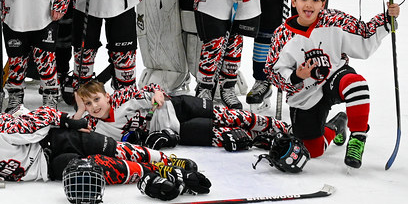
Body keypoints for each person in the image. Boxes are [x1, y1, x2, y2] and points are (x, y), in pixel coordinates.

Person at [0, 104, 210, 202]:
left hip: (54, 139)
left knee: (104, 145)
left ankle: (166, 160)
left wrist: (68, 121)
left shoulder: (0, 129)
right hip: (48, 166)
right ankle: (153, 175)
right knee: (93, 168)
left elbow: (39, 118)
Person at [265, 0, 397, 169]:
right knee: (312, 150)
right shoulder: (282, 35)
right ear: (293, 1)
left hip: (335, 77)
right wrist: (296, 77)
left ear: (323, 4)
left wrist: (387, 18)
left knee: (356, 84)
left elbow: (365, 34)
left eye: (315, 0)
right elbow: (272, 71)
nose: (309, 5)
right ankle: (336, 125)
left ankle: (358, 137)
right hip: (305, 92)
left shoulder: (335, 20)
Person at [74, 79, 288, 152]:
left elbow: (153, 88)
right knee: (229, 134)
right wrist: (80, 110)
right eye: (88, 104)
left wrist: (157, 93)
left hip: (179, 106)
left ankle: (282, 128)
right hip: (177, 130)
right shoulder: (95, 126)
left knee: (233, 117)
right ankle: (268, 140)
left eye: (96, 99)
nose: (94, 106)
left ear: (107, 97)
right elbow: (72, 127)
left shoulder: (121, 97)